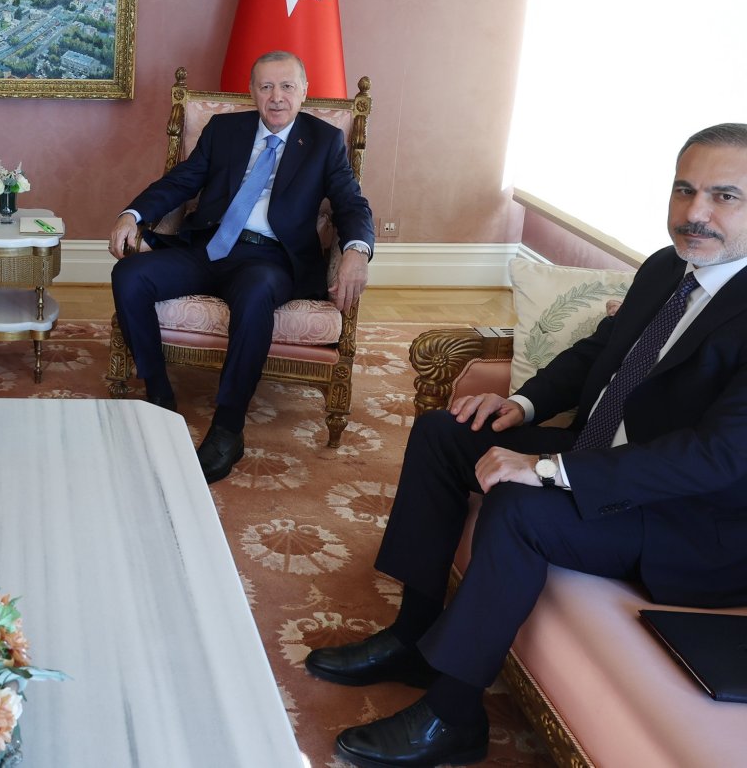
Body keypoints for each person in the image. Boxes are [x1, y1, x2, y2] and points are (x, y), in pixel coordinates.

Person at [304, 122, 747, 768]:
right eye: (685, 190)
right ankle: (413, 633)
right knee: (444, 434)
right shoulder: (666, 267)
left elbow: (717, 459)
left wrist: (549, 468)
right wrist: (521, 404)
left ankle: (454, 719)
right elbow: (601, 351)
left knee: (518, 507)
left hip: (685, 518)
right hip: (601, 452)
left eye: (724, 196)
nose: (695, 212)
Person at [109, 50, 373, 482]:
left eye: (287, 86)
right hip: (210, 247)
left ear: (304, 91)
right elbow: (181, 181)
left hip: (270, 258)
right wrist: (132, 214)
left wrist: (357, 250)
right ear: (251, 92)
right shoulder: (225, 130)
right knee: (130, 275)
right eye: (266, 86)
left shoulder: (323, 142)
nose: (276, 97)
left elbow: (350, 203)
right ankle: (159, 398)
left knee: (254, 295)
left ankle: (228, 428)